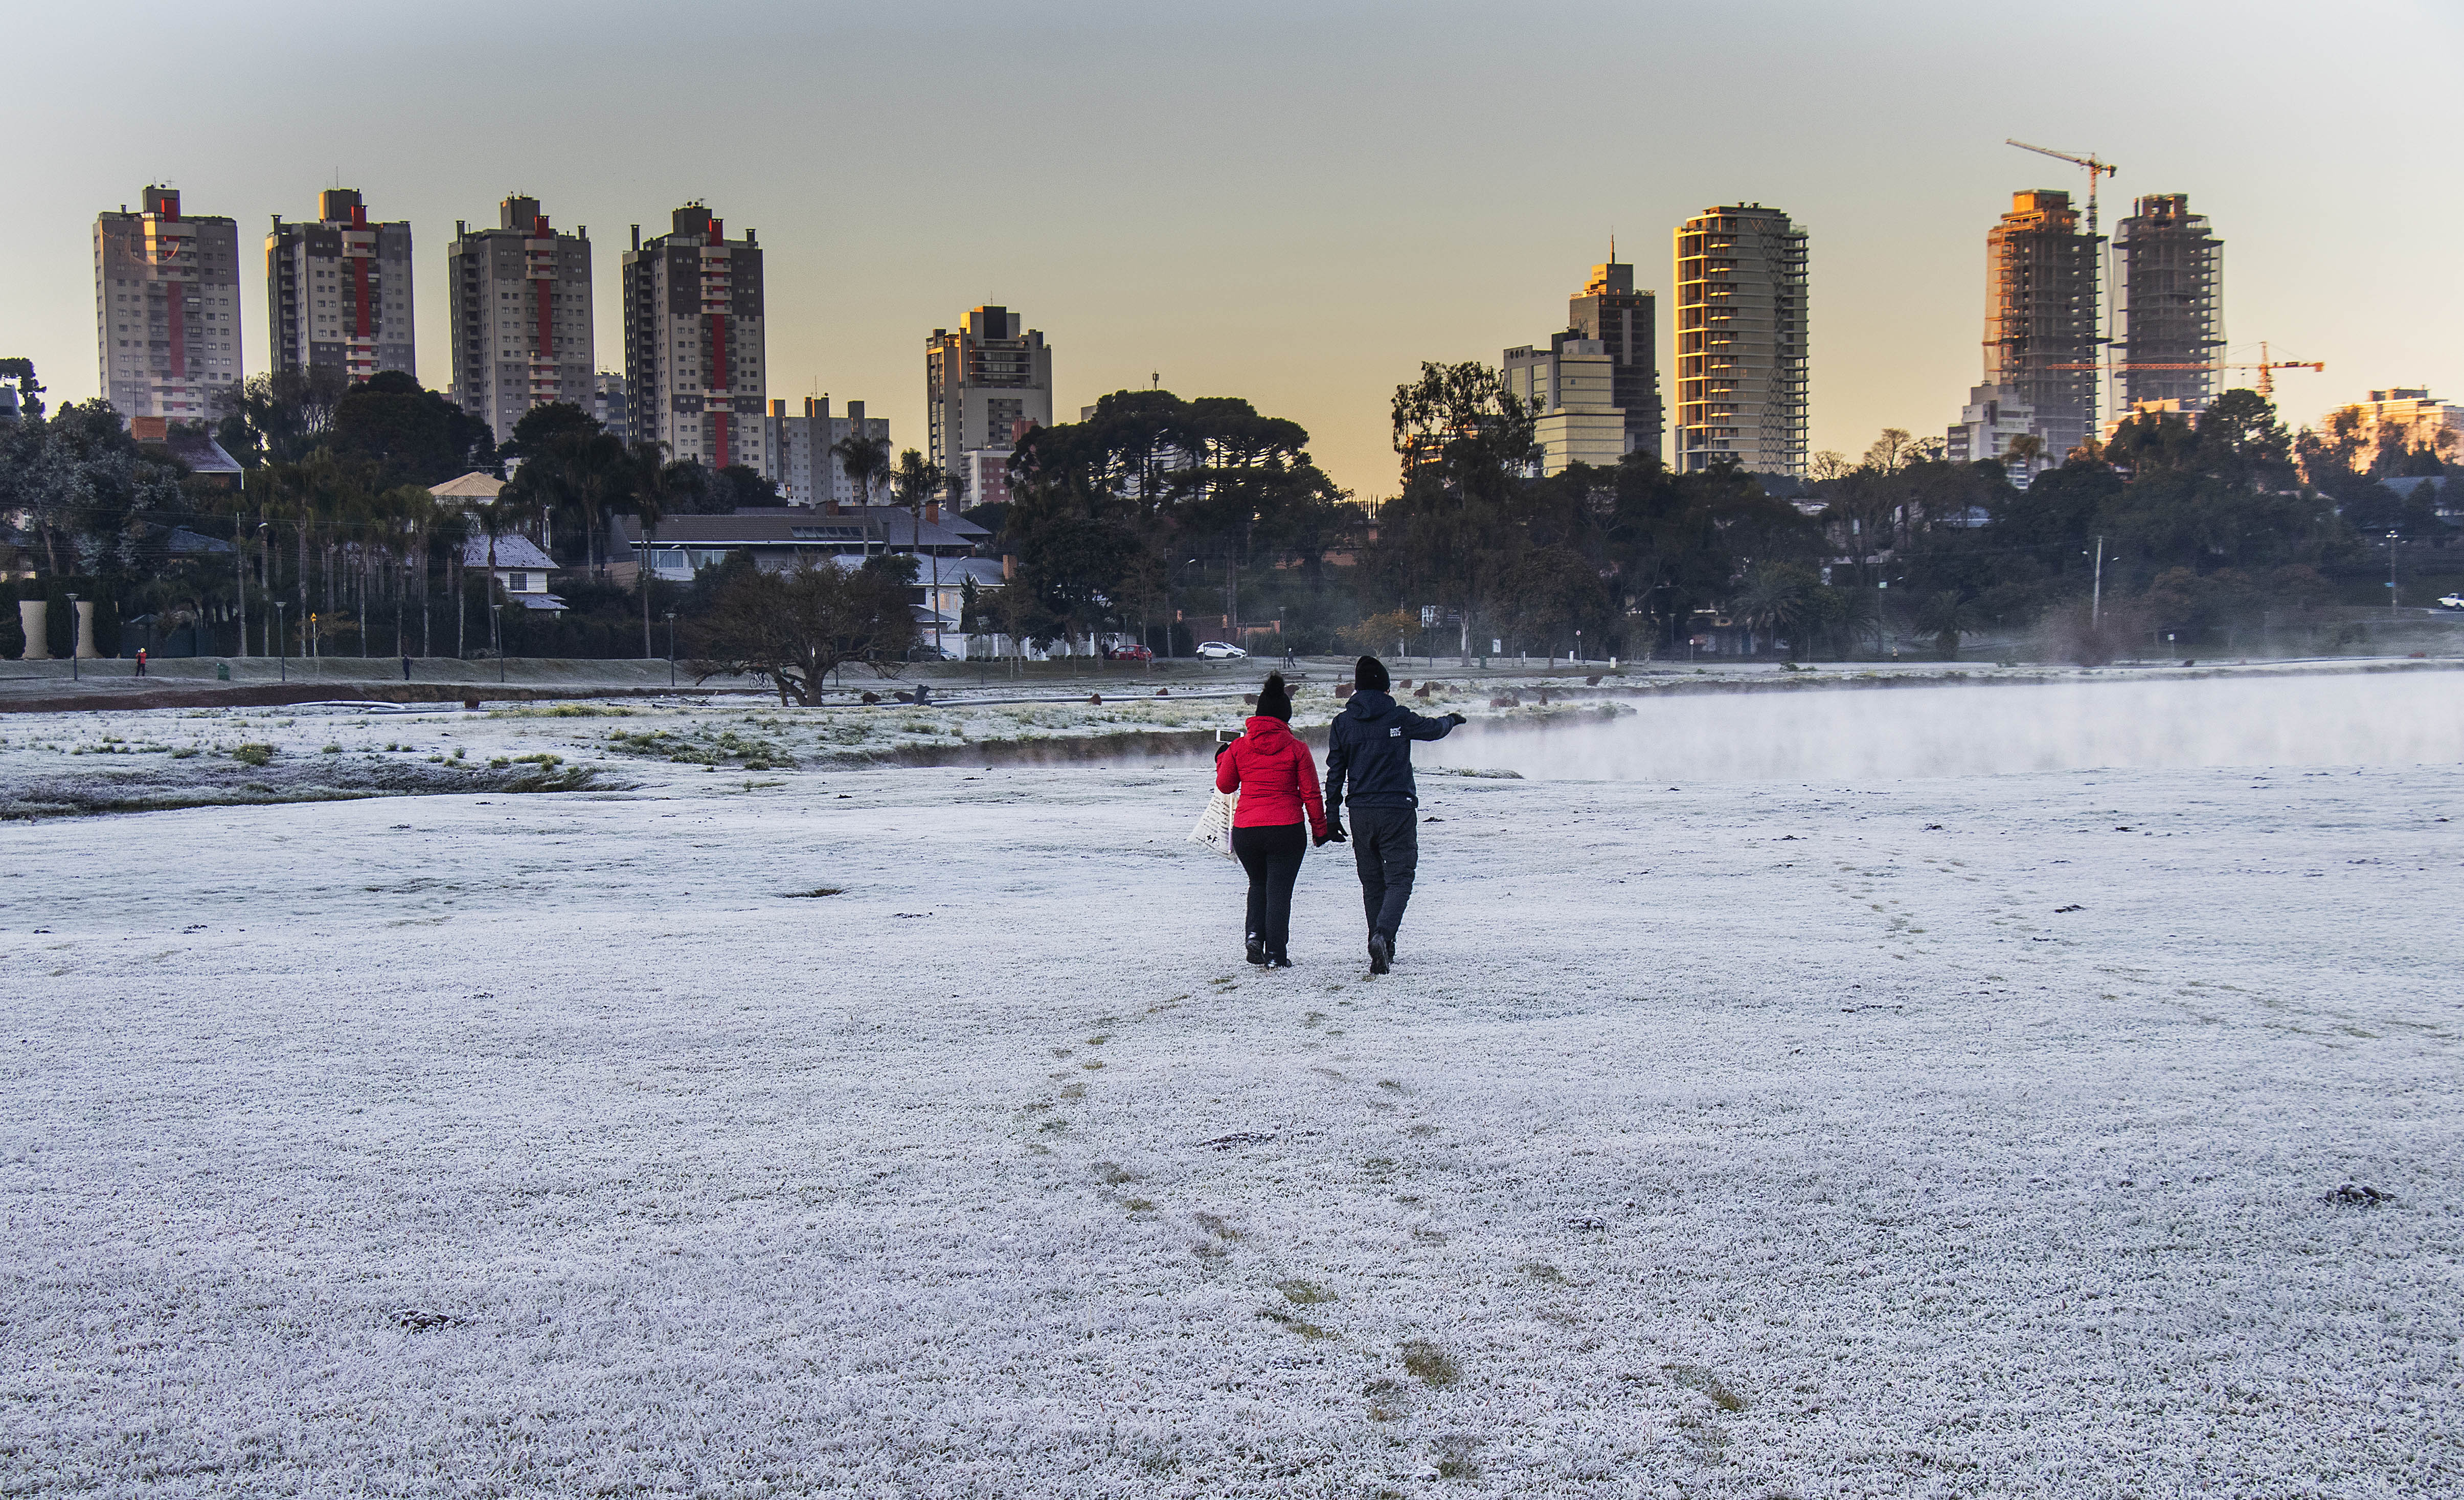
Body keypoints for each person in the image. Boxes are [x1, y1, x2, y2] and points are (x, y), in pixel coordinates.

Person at [1324, 654, 1464, 974]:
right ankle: (1383, 936)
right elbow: (1433, 730)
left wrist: (1332, 817)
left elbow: (1335, 772)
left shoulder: (1342, 723)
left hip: (1360, 811)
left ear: (1356, 690)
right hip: (1397, 809)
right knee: (1400, 877)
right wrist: (1452, 720)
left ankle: (1381, 946)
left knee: (1372, 882)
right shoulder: (1398, 717)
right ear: (1386, 688)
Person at [1214, 671, 1329, 968]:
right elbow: (1312, 794)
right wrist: (1320, 830)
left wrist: (1221, 759)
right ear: (1285, 718)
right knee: (1279, 891)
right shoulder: (1297, 749)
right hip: (1286, 829)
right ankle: (1277, 954)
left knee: (1258, 883)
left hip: (1247, 830)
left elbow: (1226, 786)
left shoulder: (1238, 747)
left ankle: (1254, 935)